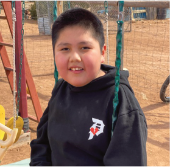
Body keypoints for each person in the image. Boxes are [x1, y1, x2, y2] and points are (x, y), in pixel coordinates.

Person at [30, 8, 147, 167]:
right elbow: (42, 143)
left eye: (84, 48)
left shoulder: (119, 102)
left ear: (102, 52)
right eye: (65, 49)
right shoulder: (61, 89)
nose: (75, 57)